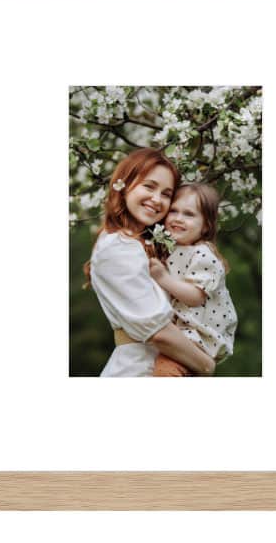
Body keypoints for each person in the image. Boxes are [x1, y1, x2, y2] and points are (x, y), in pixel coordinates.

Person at [84, 149, 216, 377]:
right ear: (124, 185)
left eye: (166, 194)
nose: (157, 199)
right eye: (149, 186)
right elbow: (158, 332)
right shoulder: (117, 246)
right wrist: (207, 365)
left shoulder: (143, 245)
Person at [148, 182, 237, 377]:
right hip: (184, 335)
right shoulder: (171, 248)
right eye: (174, 211)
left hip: (199, 337)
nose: (178, 218)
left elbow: (195, 297)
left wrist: (162, 277)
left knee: (165, 371)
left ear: (206, 226)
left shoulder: (203, 254)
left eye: (189, 214)